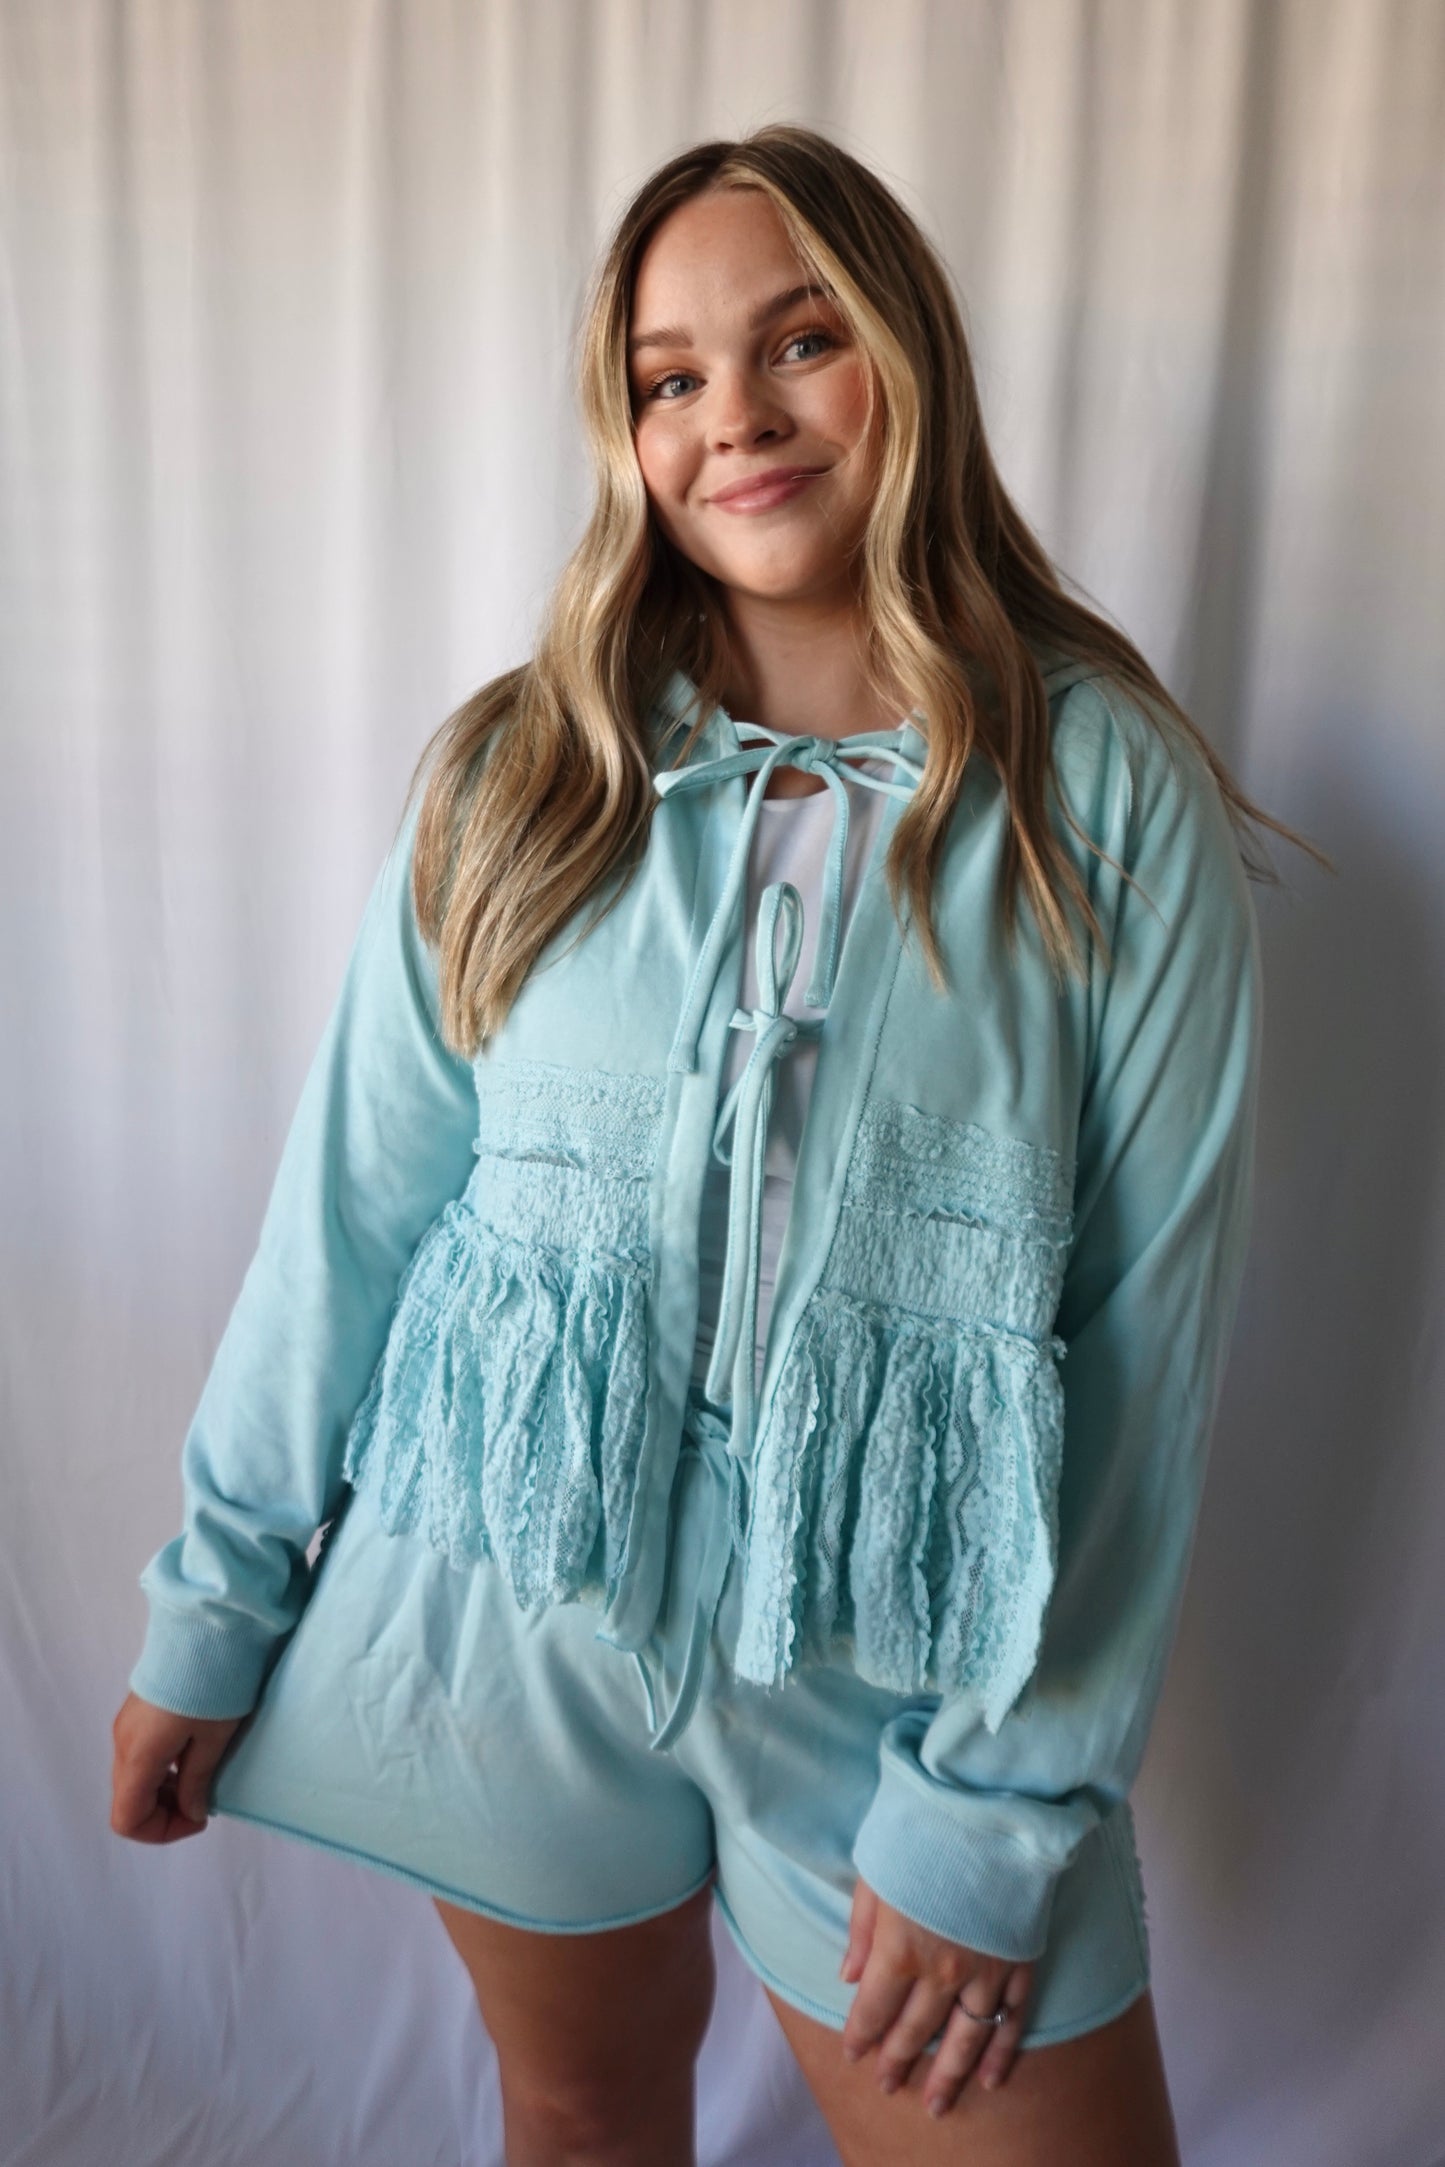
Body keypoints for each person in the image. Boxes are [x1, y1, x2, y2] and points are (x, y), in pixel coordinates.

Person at [110, 124, 1326, 2166]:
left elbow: (1141, 1340)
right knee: (583, 2113)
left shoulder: (1100, 792)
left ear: (906, 357)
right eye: (667, 375)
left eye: (799, 341)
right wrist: (211, 1607)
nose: (733, 416)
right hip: (509, 1610)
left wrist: (997, 1799)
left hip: (897, 1683)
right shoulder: (527, 771)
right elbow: (352, 1213)